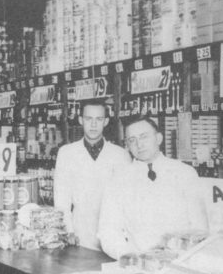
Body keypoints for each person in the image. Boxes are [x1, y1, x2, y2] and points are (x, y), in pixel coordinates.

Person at [98, 116, 208, 259]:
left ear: (159, 138)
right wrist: (129, 256)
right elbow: (108, 231)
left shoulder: (185, 173)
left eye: (144, 137)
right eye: (132, 140)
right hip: (139, 265)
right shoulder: (118, 180)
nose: (139, 144)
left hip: (182, 263)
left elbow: (200, 229)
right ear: (127, 146)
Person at [54, 100, 131, 250]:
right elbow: (61, 198)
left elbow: (127, 200)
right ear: (81, 120)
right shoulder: (66, 153)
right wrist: (67, 231)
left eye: (99, 119)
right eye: (89, 119)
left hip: (113, 234)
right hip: (78, 234)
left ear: (106, 121)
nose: (94, 125)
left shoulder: (120, 155)